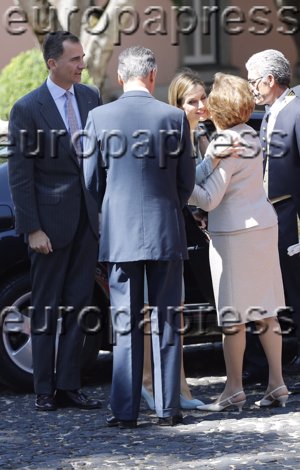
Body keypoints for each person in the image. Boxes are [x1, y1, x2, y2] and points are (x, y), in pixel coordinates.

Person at [83, 46, 195, 428]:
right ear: (152, 75)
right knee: (167, 320)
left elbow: (91, 182)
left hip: (120, 233)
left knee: (125, 325)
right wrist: (167, 206)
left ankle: (125, 410)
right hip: (166, 229)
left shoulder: (98, 117)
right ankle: (168, 408)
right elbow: (186, 182)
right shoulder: (174, 117)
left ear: (119, 77)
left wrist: (113, 208)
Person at [8, 31, 102, 412]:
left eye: (82, 58)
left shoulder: (91, 97)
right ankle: (43, 389)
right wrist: (32, 228)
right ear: (53, 64)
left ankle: (69, 385)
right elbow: (20, 174)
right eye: (75, 59)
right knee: (45, 308)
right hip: (48, 227)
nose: (82, 64)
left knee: (80, 306)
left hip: (87, 223)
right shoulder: (27, 108)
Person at [189, 72, 288, 411]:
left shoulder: (224, 142)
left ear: (219, 108)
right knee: (265, 310)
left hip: (234, 233)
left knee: (232, 315)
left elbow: (210, 198)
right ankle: (277, 384)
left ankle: (233, 389)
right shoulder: (250, 135)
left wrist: (181, 185)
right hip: (261, 225)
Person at [141, 68, 216, 410]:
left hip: (193, 229)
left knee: (179, 312)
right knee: (162, 309)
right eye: (193, 101)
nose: (201, 105)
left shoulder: (201, 133)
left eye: (204, 98)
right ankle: (156, 383)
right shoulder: (172, 134)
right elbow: (179, 186)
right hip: (174, 229)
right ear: (177, 104)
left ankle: (180, 386)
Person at [245, 49, 300, 381]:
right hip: (274, 216)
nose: (251, 88)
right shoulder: (271, 112)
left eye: (254, 81)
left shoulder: (295, 110)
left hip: (293, 218)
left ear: (269, 79)